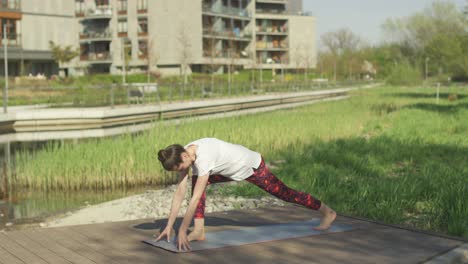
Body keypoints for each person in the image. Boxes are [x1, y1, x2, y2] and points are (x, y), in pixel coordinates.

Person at [155, 138, 336, 251]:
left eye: (178, 168)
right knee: (197, 182)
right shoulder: (185, 151)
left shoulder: (203, 159)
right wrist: (170, 226)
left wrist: (182, 231)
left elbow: (194, 198)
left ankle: (328, 212)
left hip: (251, 166)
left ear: (185, 158)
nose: (180, 171)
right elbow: (180, 191)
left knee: (285, 194)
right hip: (231, 169)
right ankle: (199, 230)